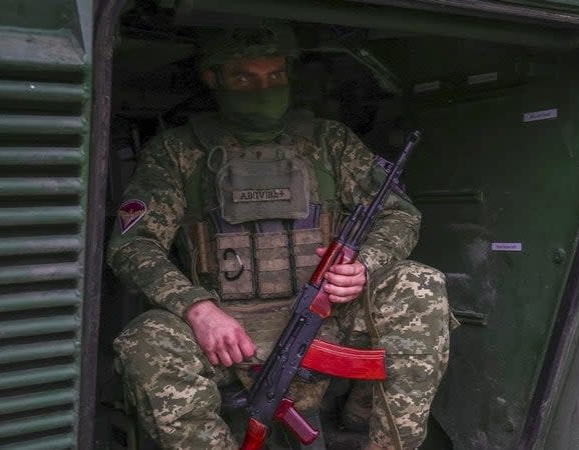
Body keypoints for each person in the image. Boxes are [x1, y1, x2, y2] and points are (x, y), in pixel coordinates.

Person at [108, 22, 455, 450]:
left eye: (275, 75)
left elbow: (399, 215)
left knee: (419, 284)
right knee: (145, 339)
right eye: (245, 77)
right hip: (226, 333)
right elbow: (132, 247)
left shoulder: (329, 142)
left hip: (325, 316)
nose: (264, 88)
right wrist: (196, 307)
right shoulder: (177, 151)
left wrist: (366, 265)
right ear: (213, 79)